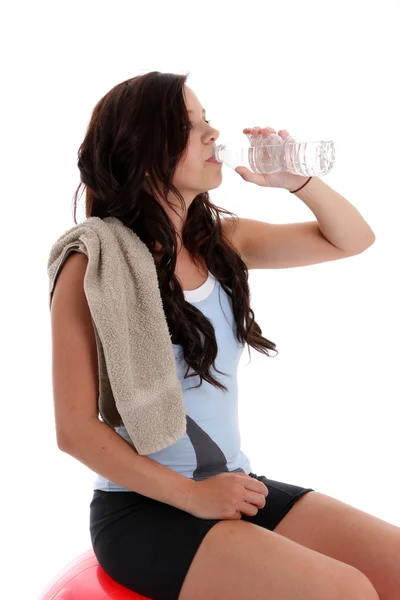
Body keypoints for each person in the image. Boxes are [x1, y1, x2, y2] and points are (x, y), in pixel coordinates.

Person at [50, 71, 376, 600]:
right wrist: (193, 498)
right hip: (141, 513)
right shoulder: (95, 265)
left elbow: (352, 240)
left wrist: (298, 180)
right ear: (141, 146)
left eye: (207, 120)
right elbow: (75, 430)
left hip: (233, 486)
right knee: (347, 592)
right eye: (188, 125)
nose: (211, 134)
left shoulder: (221, 241)